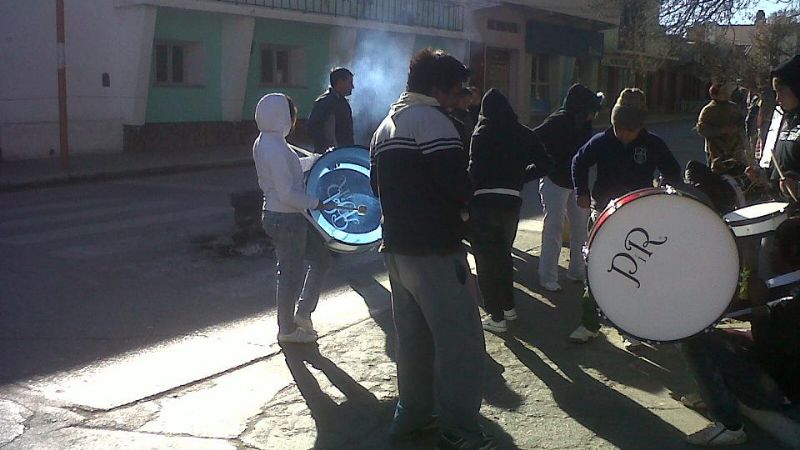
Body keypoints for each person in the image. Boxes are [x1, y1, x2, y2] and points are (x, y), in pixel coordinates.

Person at [370, 48, 496, 449]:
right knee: (460, 345)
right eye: (458, 90)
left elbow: (376, 188)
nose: (462, 97)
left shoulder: (386, 125)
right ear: (436, 89)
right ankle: (460, 431)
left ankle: (412, 418)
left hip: (397, 252)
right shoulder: (434, 122)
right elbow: (457, 185)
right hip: (436, 253)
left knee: (413, 343)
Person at [569, 88, 682, 347]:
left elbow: (673, 172)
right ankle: (589, 323)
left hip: (639, 217)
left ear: (640, 127)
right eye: (620, 129)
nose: (625, 135)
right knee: (597, 271)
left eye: (631, 131)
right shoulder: (602, 141)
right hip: (603, 213)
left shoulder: (653, 143)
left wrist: (663, 190)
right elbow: (578, 162)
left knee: (636, 272)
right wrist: (582, 191)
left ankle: (632, 328)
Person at [680, 217, 800, 446]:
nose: (771, 253)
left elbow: (776, 351)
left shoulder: (792, 299)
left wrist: (758, 309)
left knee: (695, 339)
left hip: (779, 391)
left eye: (775, 247)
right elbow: (738, 312)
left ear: (793, 250)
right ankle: (712, 393)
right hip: (778, 375)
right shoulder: (786, 284)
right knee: (716, 334)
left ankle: (730, 426)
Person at [469, 88, 552, 333]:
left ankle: (496, 317)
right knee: (503, 256)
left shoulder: (481, 132)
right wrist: (519, 178)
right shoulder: (523, 133)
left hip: (483, 203)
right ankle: (509, 308)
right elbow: (546, 164)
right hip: (511, 202)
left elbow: (475, 171)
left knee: (485, 261)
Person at [253, 93, 334, 344]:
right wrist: (316, 203)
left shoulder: (270, 141)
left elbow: (292, 167)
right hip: (285, 217)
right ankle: (287, 330)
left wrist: (317, 160)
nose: (294, 120)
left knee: (320, 259)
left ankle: (302, 314)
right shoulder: (273, 146)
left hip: (287, 216)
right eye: (292, 115)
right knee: (290, 274)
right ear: (282, 116)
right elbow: (286, 192)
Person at [534, 84, 604, 292]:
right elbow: (533, 139)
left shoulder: (583, 124)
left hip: (576, 183)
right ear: (581, 108)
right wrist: (544, 164)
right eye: (592, 110)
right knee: (553, 229)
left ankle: (577, 271)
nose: (595, 114)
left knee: (580, 229)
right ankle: (547, 276)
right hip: (554, 181)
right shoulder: (557, 121)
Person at [695, 82, 752, 175]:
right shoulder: (708, 110)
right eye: (723, 92)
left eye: (726, 92)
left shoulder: (733, 107)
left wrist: (736, 128)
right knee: (717, 174)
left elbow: (742, 122)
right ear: (714, 95)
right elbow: (701, 129)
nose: (726, 94)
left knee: (737, 172)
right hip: (716, 149)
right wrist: (721, 130)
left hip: (735, 148)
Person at [306, 67, 355, 154]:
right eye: (350, 83)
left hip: (342, 153)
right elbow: (312, 127)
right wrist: (327, 149)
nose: (352, 87)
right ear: (340, 83)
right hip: (331, 157)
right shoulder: (325, 102)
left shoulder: (342, 102)